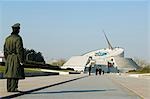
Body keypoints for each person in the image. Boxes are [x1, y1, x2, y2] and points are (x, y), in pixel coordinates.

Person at [4, 23, 25, 92]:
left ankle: (9, 88)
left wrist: (7, 58)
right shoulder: (18, 38)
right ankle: (14, 88)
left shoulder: (7, 38)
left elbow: (5, 50)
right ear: (18, 30)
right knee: (15, 73)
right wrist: (21, 60)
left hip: (9, 58)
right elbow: (19, 50)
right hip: (16, 57)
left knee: (9, 73)